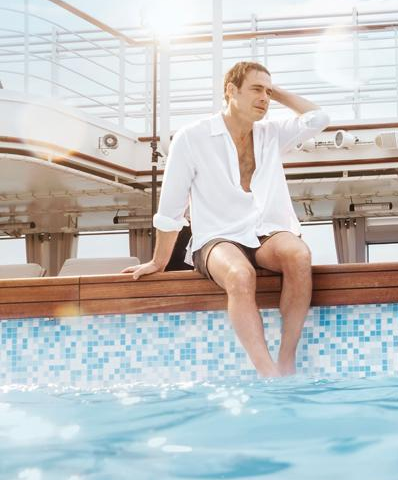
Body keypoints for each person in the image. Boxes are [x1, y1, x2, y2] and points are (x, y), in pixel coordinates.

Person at [124, 61, 329, 377]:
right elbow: (170, 208)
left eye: (268, 91)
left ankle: (286, 361)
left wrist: (276, 91)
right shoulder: (192, 138)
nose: (264, 98)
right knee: (239, 275)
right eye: (256, 90)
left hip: (266, 233)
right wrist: (159, 261)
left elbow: (319, 118)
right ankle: (267, 372)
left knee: (299, 255)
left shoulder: (271, 134)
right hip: (217, 238)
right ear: (230, 91)